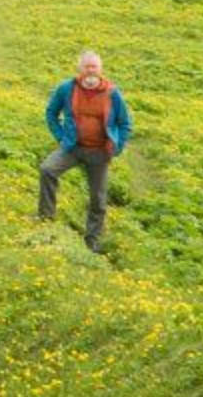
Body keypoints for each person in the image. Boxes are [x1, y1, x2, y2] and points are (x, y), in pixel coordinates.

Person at [37, 51, 133, 251]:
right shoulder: (66, 88)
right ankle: (46, 218)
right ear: (80, 69)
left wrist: (117, 147)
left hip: (99, 152)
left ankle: (92, 240)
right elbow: (51, 112)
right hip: (72, 147)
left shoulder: (112, 93)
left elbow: (125, 123)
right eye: (87, 66)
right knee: (47, 169)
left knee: (98, 199)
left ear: (100, 70)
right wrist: (61, 136)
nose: (91, 70)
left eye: (94, 67)